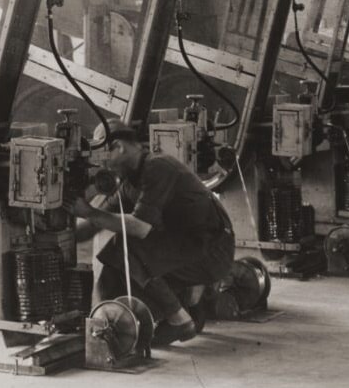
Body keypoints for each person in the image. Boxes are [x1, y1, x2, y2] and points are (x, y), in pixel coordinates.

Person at [68, 121, 234, 346]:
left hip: (212, 252)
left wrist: (88, 211)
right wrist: (58, 234)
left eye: (103, 155)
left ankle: (179, 319)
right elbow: (94, 224)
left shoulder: (158, 167)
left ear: (118, 146)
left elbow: (139, 227)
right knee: (115, 269)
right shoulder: (130, 183)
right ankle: (106, 326)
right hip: (188, 250)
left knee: (126, 246)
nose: (101, 164)